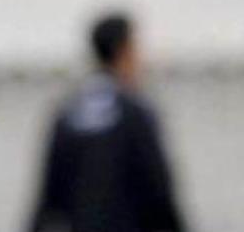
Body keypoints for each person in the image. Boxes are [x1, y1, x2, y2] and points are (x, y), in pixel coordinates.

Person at [27, 13, 186, 232]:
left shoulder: (68, 112)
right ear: (125, 50)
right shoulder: (134, 111)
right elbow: (158, 190)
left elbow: (48, 197)